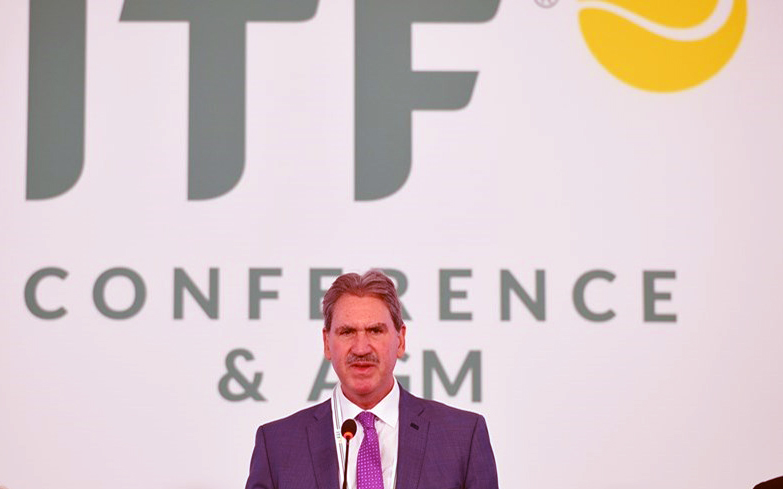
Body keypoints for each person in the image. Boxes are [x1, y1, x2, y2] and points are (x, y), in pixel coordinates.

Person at [245, 270, 499, 489]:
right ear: (327, 343)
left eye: (375, 330)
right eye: (347, 332)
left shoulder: (463, 437)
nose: (361, 348)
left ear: (400, 340)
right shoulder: (276, 446)